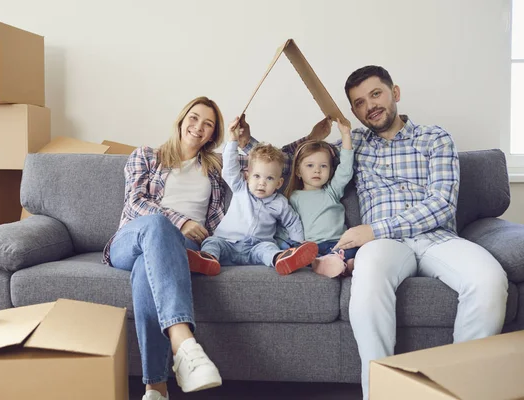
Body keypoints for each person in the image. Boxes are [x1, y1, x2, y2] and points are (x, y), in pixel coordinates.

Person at [304, 65, 508, 399]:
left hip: (436, 238)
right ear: (354, 112)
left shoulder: (435, 138)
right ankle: (382, 395)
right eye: (358, 103)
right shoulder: (352, 144)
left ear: (394, 93)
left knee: (489, 280)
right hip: (383, 247)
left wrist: (374, 228)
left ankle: (461, 391)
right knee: (367, 278)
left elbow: (442, 203)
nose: (369, 105)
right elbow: (291, 164)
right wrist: (309, 134)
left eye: (375, 94)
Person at [104, 96, 227, 400]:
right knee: (159, 227)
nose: (199, 127)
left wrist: (314, 136)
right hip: (132, 239)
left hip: (182, 248)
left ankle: (155, 389)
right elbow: (135, 202)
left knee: (148, 270)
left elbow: (269, 162)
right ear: (182, 119)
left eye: (208, 124)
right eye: (194, 118)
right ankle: (183, 343)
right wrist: (181, 221)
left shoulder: (214, 170)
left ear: (213, 134)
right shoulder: (146, 155)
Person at [187, 117, 319, 276]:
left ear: (279, 183)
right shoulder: (240, 188)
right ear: (247, 176)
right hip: (227, 244)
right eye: (257, 176)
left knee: (269, 249)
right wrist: (233, 140)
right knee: (211, 242)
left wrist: (298, 244)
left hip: (257, 248)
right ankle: (208, 260)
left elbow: (292, 221)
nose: (262, 183)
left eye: (269, 178)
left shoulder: (280, 202)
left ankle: (283, 259)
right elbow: (229, 167)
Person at [281, 118, 358, 278]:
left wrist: (346, 135)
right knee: (295, 249)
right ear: (298, 172)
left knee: (357, 247)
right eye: (310, 166)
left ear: (330, 171)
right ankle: (332, 264)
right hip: (311, 246)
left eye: (323, 166)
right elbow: (285, 224)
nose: (317, 170)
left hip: (338, 243)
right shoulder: (293, 198)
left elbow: (345, 170)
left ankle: (342, 263)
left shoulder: (332, 191)